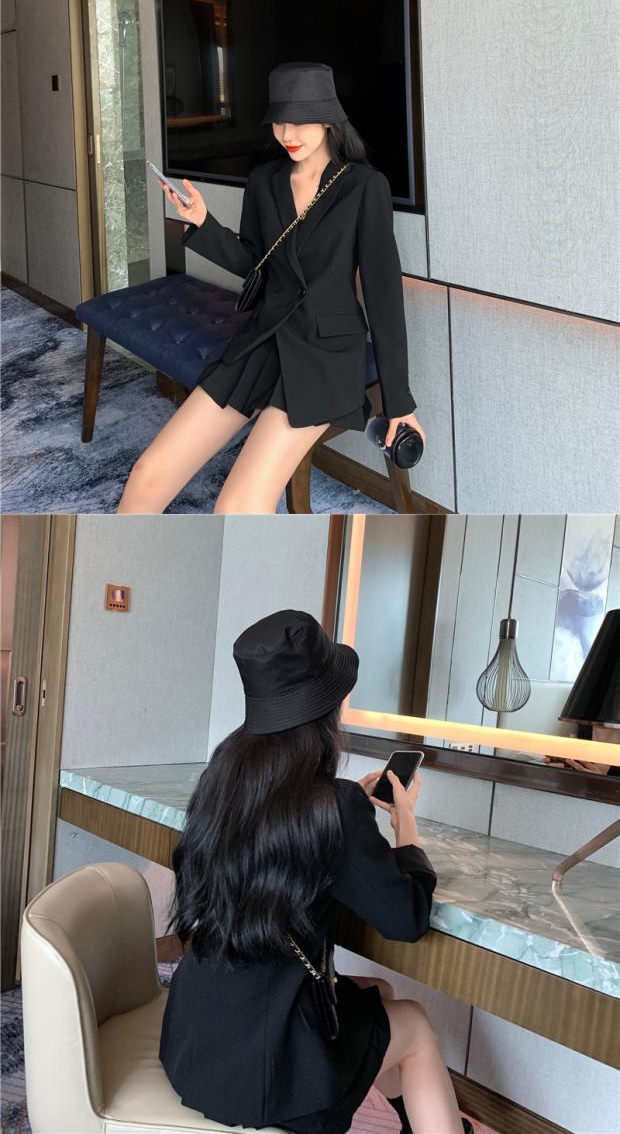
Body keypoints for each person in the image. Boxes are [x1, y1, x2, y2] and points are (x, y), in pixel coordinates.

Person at [160, 608, 470, 1134]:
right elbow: (407, 920)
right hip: (263, 1073)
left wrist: (351, 814)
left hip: (198, 1039)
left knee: (380, 994)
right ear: (327, 709)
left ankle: (417, 1116)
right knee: (415, 1025)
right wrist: (406, 829)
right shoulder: (333, 805)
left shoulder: (224, 774)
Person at [117, 62, 424, 515]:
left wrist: (399, 403)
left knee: (236, 506)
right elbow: (254, 264)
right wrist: (202, 222)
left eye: (299, 121)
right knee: (148, 473)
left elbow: (383, 297)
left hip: (324, 356)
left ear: (328, 119)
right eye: (279, 122)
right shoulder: (264, 181)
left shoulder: (363, 187)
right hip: (263, 339)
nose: (287, 134)